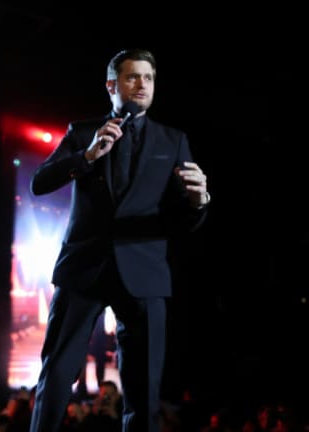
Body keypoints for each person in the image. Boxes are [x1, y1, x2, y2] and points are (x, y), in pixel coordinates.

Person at [28, 48, 210, 432]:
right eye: (132, 77)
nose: (142, 85)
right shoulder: (81, 132)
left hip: (144, 274)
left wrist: (198, 203)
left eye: (149, 78)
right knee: (58, 375)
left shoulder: (172, 140)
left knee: (144, 390)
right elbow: (39, 183)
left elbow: (183, 221)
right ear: (112, 85)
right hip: (83, 270)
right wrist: (87, 156)